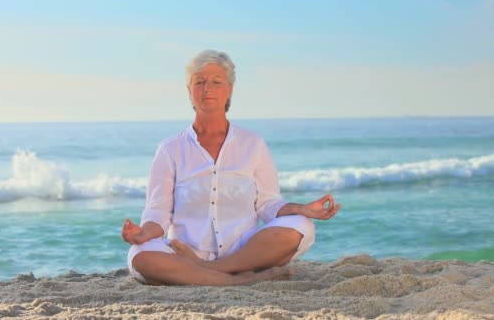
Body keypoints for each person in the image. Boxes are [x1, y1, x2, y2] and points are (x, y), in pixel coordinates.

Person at [121, 50, 340, 286]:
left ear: (229, 90)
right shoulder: (169, 149)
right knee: (139, 256)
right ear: (189, 90)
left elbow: (268, 205)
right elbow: (158, 213)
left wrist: (302, 208)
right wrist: (143, 234)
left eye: (216, 82)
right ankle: (239, 280)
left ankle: (208, 270)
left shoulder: (253, 144)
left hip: (243, 251)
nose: (207, 89)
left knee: (301, 226)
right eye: (200, 82)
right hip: (183, 251)